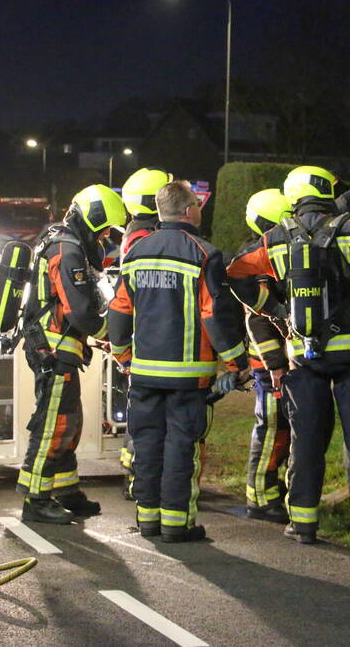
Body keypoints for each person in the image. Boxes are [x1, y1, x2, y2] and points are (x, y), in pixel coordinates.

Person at [227, 166, 350, 543]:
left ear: (292, 195)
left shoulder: (275, 238)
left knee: (306, 442)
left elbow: (235, 274)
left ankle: (303, 524)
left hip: (303, 360)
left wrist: (273, 309)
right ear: (325, 191)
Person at [109, 180, 250, 543]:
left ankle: (148, 520)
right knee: (180, 448)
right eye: (198, 206)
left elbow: (120, 309)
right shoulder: (204, 253)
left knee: (147, 445)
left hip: (143, 373)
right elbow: (213, 315)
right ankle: (177, 524)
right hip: (188, 376)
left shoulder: (137, 252)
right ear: (188, 211)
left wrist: (122, 354)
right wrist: (237, 363)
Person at [17, 184, 127, 524]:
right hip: (53, 349)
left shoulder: (70, 243)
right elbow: (79, 311)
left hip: (62, 347)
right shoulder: (66, 249)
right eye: (105, 229)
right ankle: (35, 498)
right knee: (53, 425)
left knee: (70, 423)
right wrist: (112, 333)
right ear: (92, 218)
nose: (107, 237)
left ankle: (65, 490)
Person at [116, 167, 172, 498]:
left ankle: (136, 474)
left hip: (143, 332)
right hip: (148, 334)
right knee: (147, 416)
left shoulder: (136, 232)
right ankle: (138, 476)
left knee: (144, 413)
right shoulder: (144, 237)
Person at [239, 189, 294, 523]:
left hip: (282, 363)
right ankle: (260, 497)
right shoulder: (260, 259)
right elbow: (257, 316)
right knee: (272, 428)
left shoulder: (273, 251)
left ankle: (273, 491)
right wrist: (275, 364)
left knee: (283, 429)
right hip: (269, 365)